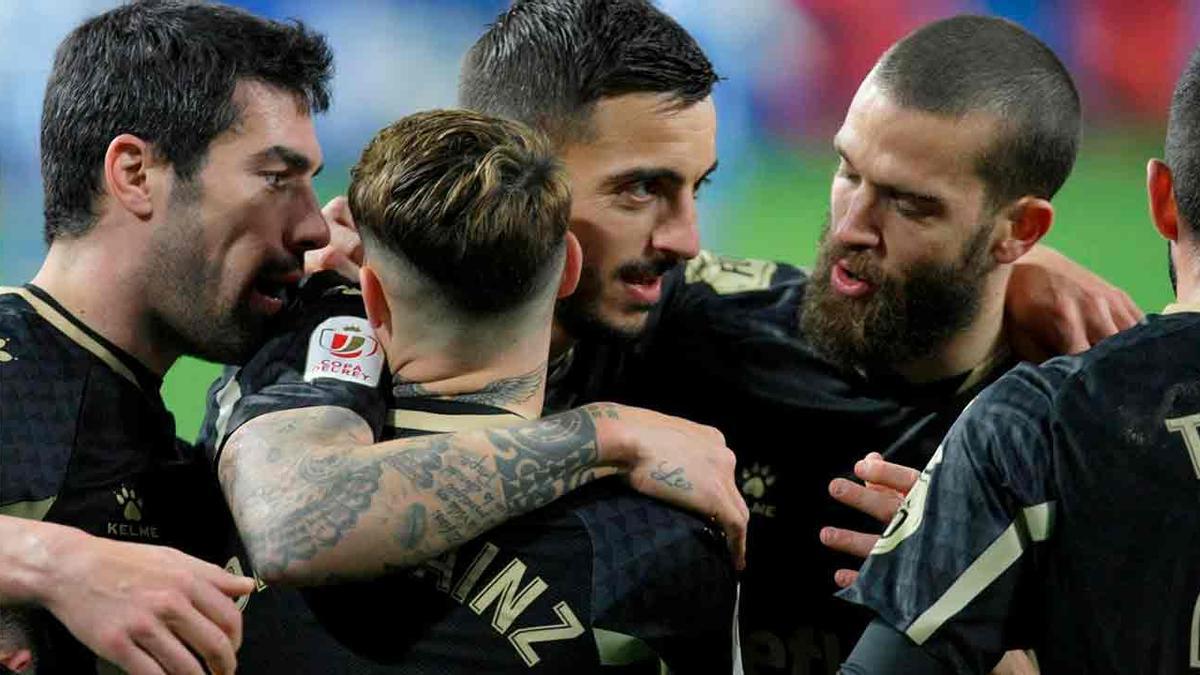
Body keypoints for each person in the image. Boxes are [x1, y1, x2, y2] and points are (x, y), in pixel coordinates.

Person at [2, 1, 743, 673]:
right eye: (275, 178)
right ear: (135, 173)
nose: (312, 226)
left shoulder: (171, 450)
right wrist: (56, 563)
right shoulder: (12, 353)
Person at [209, 107, 739, 671]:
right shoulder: (659, 543)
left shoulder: (242, 457)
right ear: (569, 270)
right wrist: (607, 432)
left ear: (373, 297)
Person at [839, 40, 1200, 675]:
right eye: (846, 171)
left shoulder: (1037, 424)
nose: (850, 226)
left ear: (1162, 199)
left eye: (911, 202)